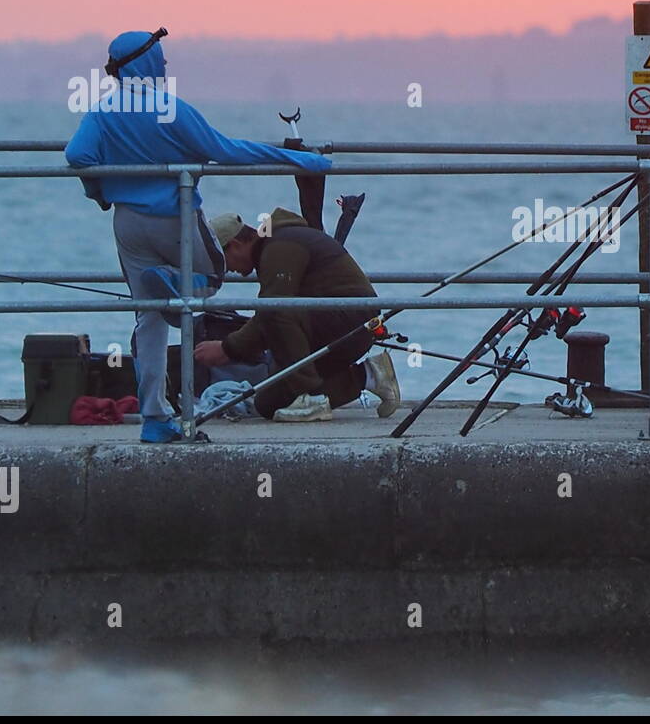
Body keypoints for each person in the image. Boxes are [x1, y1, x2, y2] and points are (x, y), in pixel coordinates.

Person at [64, 28, 332, 443]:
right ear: (149, 64)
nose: (166, 66)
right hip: (174, 218)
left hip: (127, 223)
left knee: (148, 319)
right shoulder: (172, 110)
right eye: (163, 60)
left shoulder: (100, 112)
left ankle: (154, 418)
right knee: (212, 277)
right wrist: (299, 159)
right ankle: (177, 283)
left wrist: (100, 191)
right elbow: (228, 151)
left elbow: (78, 156)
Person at [193, 208, 400, 421]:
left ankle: (310, 399)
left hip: (352, 322)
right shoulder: (270, 248)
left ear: (236, 245)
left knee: (275, 309)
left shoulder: (280, 245)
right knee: (269, 403)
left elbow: (273, 310)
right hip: (330, 325)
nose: (225, 270)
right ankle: (370, 375)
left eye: (222, 261)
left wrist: (228, 348)